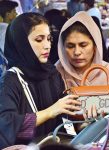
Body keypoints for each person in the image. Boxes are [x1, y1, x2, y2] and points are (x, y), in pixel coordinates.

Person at [0, 12, 81, 148]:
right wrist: (50, 111)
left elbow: (64, 117)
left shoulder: (51, 73)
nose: (47, 45)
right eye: (39, 40)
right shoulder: (10, 80)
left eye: (49, 39)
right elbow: (6, 124)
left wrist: (79, 127)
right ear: (21, 42)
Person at [55, 11, 109, 105]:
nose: (77, 52)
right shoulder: (56, 74)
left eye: (83, 45)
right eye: (70, 46)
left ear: (95, 46)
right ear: (63, 48)